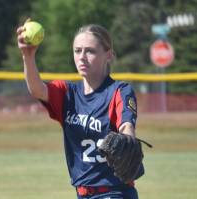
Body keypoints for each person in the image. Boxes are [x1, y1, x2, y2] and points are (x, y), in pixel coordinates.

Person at [17, 23, 143, 199]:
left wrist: (127, 138)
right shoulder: (67, 93)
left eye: (90, 51)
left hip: (115, 192)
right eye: (77, 51)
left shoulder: (119, 91)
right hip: (83, 194)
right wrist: (28, 56)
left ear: (108, 55)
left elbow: (127, 126)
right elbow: (38, 89)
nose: (82, 57)